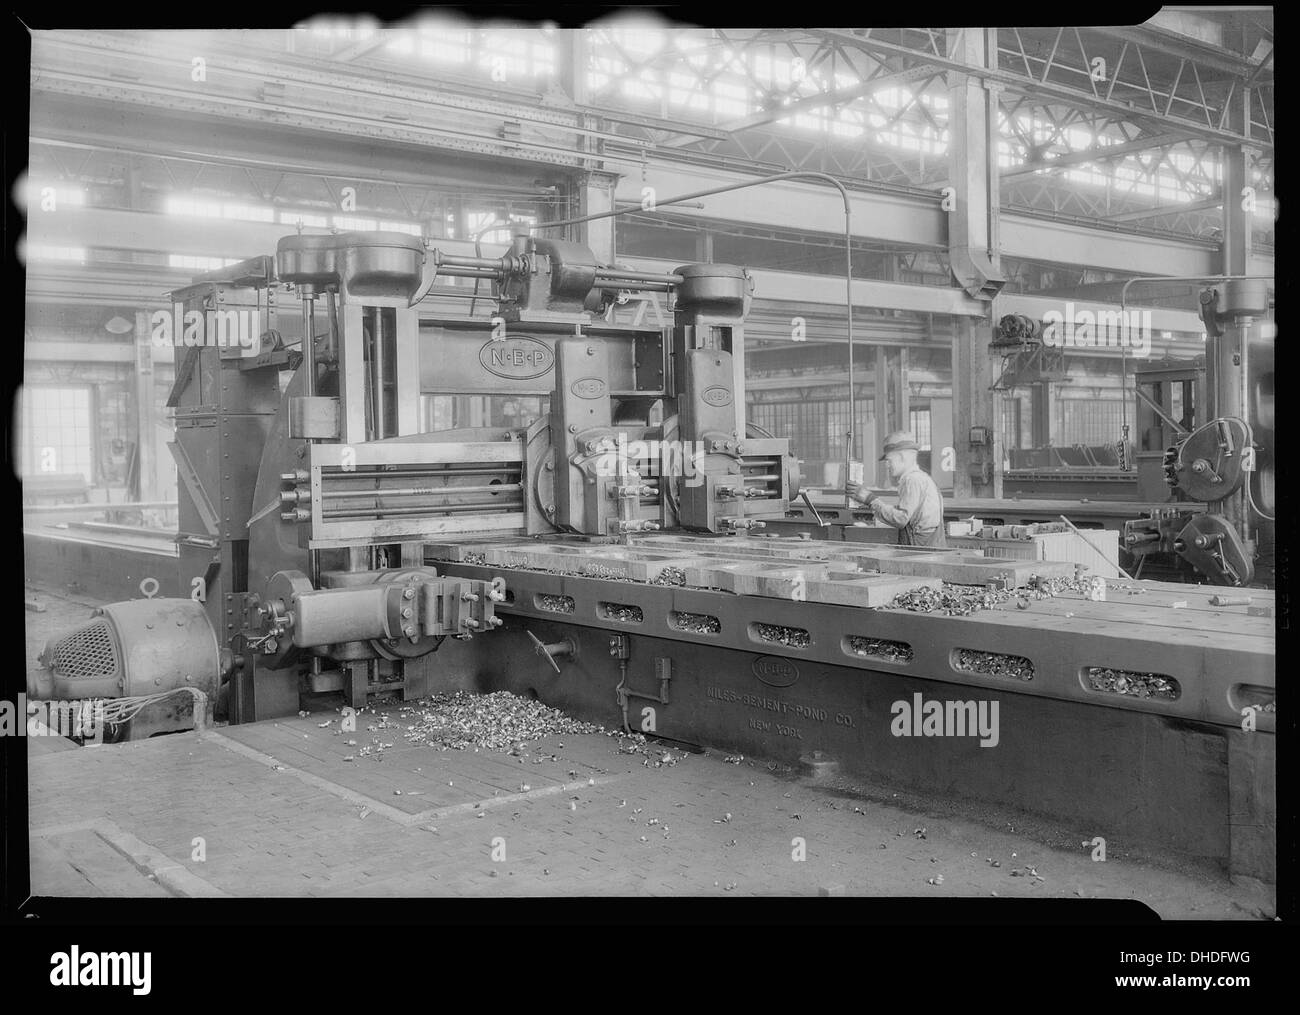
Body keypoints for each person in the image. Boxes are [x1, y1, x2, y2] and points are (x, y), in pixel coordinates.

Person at [845, 430, 947, 548]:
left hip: (922, 550)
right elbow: (909, 516)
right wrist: (875, 523)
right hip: (928, 547)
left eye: (889, 460)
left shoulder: (912, 480)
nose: (887, 465)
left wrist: (871, 500)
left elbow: (901, 519)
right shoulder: (923, 478)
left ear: (901, 457)